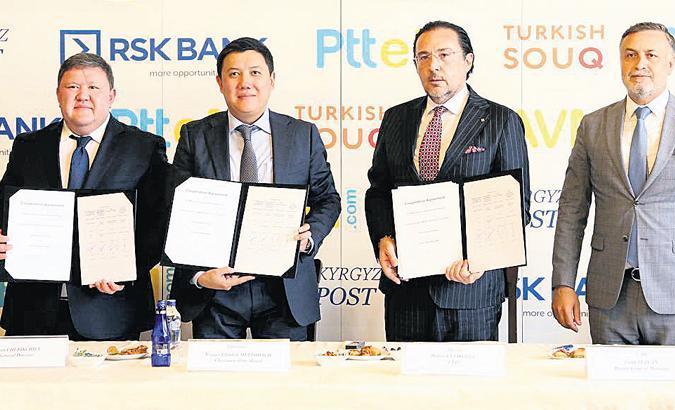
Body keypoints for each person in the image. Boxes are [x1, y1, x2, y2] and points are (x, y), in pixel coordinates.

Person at [551, 22, 675, 345]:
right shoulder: (593, 125)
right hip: (610, 298)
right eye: (630, 55)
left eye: (651, 55)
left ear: (670, 63)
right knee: (609, 382)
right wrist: (563, 282)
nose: (640, 64)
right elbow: (571, 210)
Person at [364, 21, 530, 342]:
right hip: (406, 291)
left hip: (470, 292)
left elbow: (514, 207)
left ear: (468, 61)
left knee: (469, 377)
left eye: (444, 54)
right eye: (423, 57)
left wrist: (480, 259)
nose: (433, 66)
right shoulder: (396, 118)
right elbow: (379, 192)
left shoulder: (500, 120)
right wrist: (383, 238)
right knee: (405, 376)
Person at [170, 37, 340, 340]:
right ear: (220, 82)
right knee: (214, 372)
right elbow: (176, 210)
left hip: (284, 290)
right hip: (217, 288)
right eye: (234, 74)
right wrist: (199, 276)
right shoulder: (195, 136)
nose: (245, 82)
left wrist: (310, 234)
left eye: (255, 73)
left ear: (272, 80)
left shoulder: (303, 135)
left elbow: (328, 198)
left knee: (285, 373)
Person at [0, 52, 170, 340]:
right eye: (72, 87)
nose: (83, 96)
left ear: (111, 96)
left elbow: (158, 224)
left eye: (93, 87)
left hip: (110, 310)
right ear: (58, 94)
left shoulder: (143, 147)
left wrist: (125, 269)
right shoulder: (29, 146)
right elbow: (5, 209)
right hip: (32, 311)